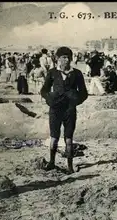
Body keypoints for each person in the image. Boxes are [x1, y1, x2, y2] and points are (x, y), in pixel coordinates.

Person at [40, 46, 88, 174]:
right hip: (55, 109)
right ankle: (51, 162)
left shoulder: (76, 73)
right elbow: (44, 90)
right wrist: (50, 99)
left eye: (68, 57)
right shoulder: (52, 73)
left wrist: (75, 101)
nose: (66, 60)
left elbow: (84, 93)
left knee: (69, 137)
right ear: (57, 59)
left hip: (69, 110)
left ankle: (70, 166)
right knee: (54, 136)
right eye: (63, 57)